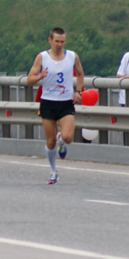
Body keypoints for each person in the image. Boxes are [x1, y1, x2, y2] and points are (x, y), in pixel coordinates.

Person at [26, 27, 84, 185]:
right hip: (48, 102)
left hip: (66, 102)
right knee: (50, 141)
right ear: (50, 40)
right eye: (57, 41)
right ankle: (53, 171)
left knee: (68, 137)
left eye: (62, 42)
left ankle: (62, 143)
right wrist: (40, 76)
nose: (59, 44)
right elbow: (29, 80)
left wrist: (78, 91)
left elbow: (80, 74)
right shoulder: (42, 57)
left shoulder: (72, 56)